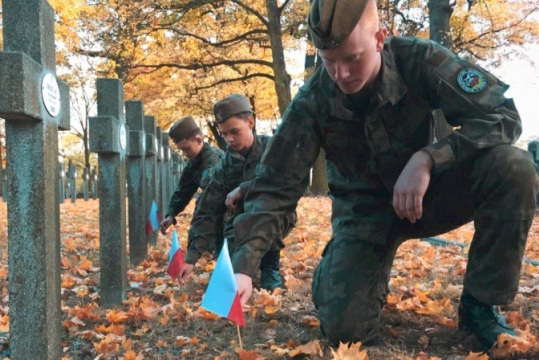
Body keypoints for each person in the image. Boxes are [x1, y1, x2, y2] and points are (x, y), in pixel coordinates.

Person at [230, 0, 539, 350]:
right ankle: (339, 274)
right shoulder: (312, 100)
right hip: (363, 217)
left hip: (427, 196)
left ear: (380, 38)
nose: (341, 75)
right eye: (329, 61)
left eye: (352, 59)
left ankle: (480, 305)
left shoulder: (420, 60)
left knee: (513, 167)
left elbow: (503, 115)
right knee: (345, 329)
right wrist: (245, 266)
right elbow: (274, 187)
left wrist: (429, 158)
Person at [179, 94, 296, 291]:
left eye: (234, 131)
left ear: (250, 122)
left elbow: (288, 184)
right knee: (231, 274)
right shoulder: (226, 164)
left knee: (268, 210)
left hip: (275, 215)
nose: (229, 139)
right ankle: (248, 263)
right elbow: (208, 208)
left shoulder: (273, 148)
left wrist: (245, 188)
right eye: (224, 134)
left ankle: (270, 265)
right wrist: (191, 257)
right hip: (239, 222)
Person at [159, 116, 224, 252]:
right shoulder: (195, 161)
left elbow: (211, 195)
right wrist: (171, 214)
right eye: (181, 150)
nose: (185, 153)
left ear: (199, 140)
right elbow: (184, 190)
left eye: (186, 148)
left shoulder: (212, 159)